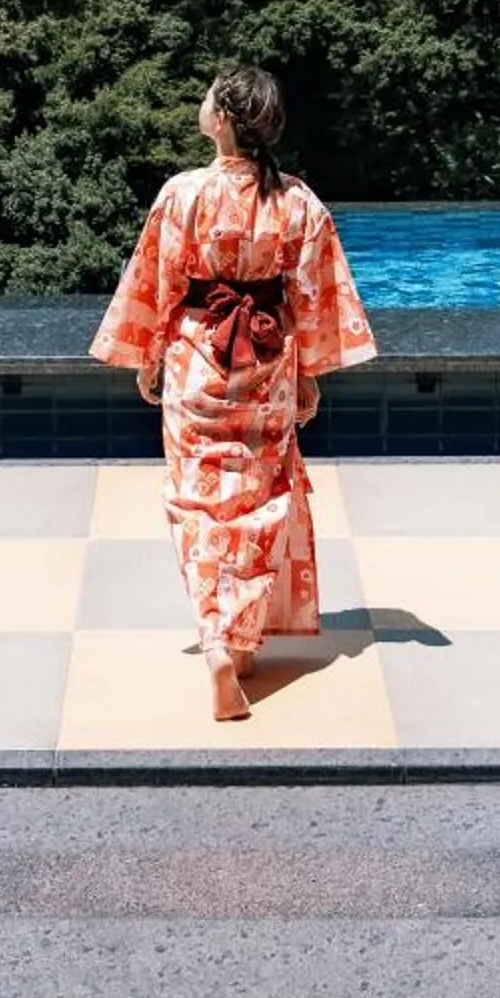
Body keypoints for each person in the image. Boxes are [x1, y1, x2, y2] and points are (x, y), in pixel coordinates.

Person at [89, 64, 377, 720]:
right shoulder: (298, 200)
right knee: (260, 500)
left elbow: (156, 281)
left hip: (197, 362)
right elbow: (310, 300)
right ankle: (240, 642)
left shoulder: (183, 194)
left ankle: (217, 639)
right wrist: (306, 378)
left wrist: (149, 354)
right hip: (267, 367)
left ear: (222, 118)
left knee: (197, 502)